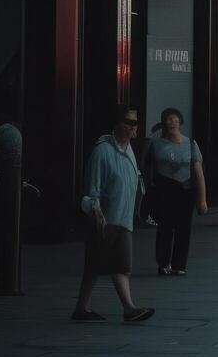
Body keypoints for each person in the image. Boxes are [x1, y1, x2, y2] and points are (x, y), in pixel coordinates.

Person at [72, 106, 153, 323]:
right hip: (108, 218)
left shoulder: (128, 150)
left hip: (123, 217)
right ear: (117, 125)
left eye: (135, 123)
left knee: (95, 265)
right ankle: (129, 308)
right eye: (129, 123)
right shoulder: (103, 151)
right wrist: (96, 212)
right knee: (120, 265)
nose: (134, 127)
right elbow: (93, 187)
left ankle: (81, 307)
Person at [148, 108, 207, 275]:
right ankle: (163, 262)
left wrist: (202, 200)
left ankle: (179, 264)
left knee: (183, 228)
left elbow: (198, 172)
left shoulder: (190, 144)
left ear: (180, 123)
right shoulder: (156, 143)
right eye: (168, 119)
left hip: (184, 189)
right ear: (164, 123)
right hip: (164, 190)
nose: (172, 122)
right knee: (164, 227)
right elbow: (148, 165)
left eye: (175, 119)